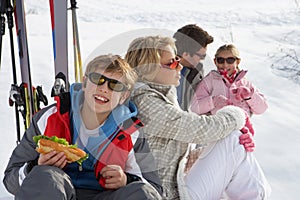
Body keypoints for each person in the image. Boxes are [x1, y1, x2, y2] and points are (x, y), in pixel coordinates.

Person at [125, 35, 271, 199]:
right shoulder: (145, 101)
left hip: (174, 186)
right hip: (166, 195)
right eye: (172, 63)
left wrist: (218, 154)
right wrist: (239, 114)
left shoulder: (160, 95)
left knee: (232, 142)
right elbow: (200, 129)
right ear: (148, 68)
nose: (179, 67)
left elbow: (171, 157)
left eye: (178, 60)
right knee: (231, 140)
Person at [3, 54, 163, 200]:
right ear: (85, 82)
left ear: (124, 96)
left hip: (105, 196)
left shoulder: (130, 131)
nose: (104, 88)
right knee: (46, 176)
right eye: (98, 79)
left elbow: (154, 190)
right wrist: (34, 166)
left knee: (142, 192)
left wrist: (126, 180)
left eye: (115, 85)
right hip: (56, 193)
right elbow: (10, 180)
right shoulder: (50, 117)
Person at [190, 44, 268, 118]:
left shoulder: (245, 83)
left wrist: (250, 96)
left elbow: (261, 109)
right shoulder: (209, 81)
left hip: (242, 129)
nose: (225, 64)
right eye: (220, 60)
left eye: (230, 60)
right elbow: (194, 108)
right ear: (215, 61)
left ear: (237, 62)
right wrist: (213, 101)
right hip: (218, 127)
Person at [173, 24, 214, 111]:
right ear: (186, 54)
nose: (201, 60)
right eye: (201, 56)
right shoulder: (159, 71)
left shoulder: (196, 72)